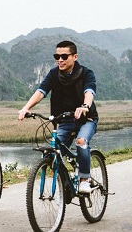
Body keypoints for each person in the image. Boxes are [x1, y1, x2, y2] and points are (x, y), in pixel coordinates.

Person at [17, 40, 98, 194]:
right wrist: (26, 108)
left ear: (75, 57)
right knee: (52, 150)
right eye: (57, 56)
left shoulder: (87, 73)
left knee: (81, 142)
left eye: (64, 56)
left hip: (87, 120)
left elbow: (89, 92)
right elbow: (41, 91)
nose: (59, 59)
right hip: (65, 121)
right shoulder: (54, 74)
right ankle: (65, 181)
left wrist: (85, 106)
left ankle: (84, 179)